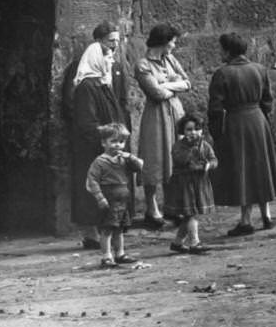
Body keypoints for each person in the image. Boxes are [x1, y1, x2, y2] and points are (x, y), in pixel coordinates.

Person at [207, 32, 276, 235]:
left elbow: (215, 107)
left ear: (228, 51)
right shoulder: (259, 69)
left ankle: (245, 220)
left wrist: (216, 132)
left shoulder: (222, 74)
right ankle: (267, 215)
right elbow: (268, 100)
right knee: (260, 167)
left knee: (244, 170)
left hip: (236, 123)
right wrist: (263, 119)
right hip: (258, 121)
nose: (219, 53)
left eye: (221, 49)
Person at [68, 23, 129, 250]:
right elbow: (86, 122)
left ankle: (106, 232)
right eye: (106, 56)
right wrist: (106, 139)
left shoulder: (101, 83)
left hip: (106, 143)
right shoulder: (87, 86)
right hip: (92, 147)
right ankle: (92, 234)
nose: (110, 59)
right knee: (93, 189)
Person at [134, 23, 192, 228]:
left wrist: (166, 85)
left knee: (176, 157)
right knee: (154, 158)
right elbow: (155, 94)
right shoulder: (143, 65)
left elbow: (187, 83)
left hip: (176, 113)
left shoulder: (170, 60)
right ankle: (152, 207)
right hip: (156, 116)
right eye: (173, 42)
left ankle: (172, 205)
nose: (174, 46)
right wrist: (171, 87)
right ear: (163, 42)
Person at [84, 123, 144, 268]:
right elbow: (92, 181)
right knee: (107, 229)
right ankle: (106, 256)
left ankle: (120, 253)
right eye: (113, 141)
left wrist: (130, 156)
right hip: (109, 198)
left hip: (123, 199)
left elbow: (140, 166)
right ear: (103, 142)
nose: (118, 145)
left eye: (121, 142)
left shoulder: (123, 159)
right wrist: (100, 198)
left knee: (120, 228)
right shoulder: (100, 162)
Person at [164, 112, 217, 255]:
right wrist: (192, 149)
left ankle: (177, 243)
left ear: (201, 130)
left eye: (196, 129)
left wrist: (208, 165)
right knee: (191, 214)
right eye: (189, 129)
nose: (193, 132)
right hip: (185, 184)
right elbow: (181, 160)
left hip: (199, 183)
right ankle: (194, 243)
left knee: (189, 215)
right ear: (183, 131)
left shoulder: (205, 145)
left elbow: (213, 160)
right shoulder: (179, 146)